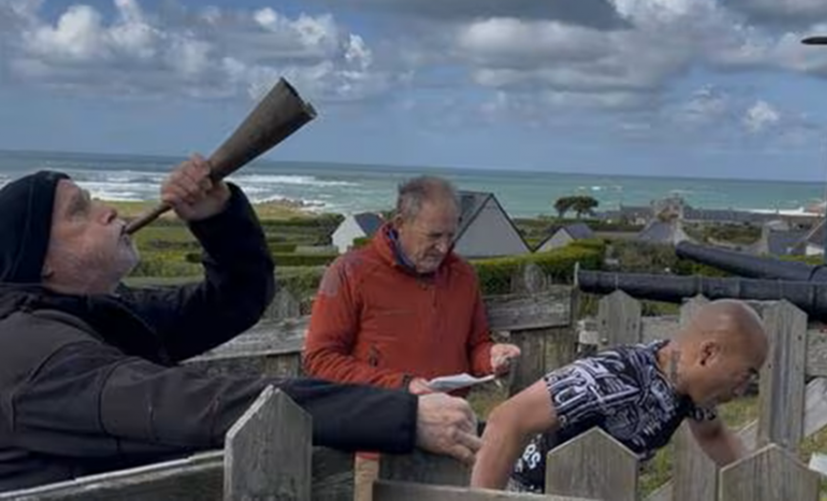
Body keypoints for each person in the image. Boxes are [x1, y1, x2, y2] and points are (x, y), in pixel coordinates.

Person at [0, 156, 481, 493]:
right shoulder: (32, 352)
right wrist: (400, 414)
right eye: (78, 211)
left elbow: (235, 301)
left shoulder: (95, 313)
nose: (107, 210)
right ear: (38, 259)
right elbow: (192, 401)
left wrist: (217, 216)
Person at [302, 175, 520, 500]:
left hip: (450, 442)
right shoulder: (350, 271)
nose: (444, 247)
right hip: (373, 447)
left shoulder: (462, 275)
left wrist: (491, 356)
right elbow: (320, 361)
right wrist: (403, 386)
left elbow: (475, 344)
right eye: (434, 236)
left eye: (451, 235)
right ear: (400, 223)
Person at [469, 299, 769, 493]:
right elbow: (507, 419)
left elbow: (714, 435)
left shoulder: (688, 387)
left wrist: (763, 487)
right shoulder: (614, 376)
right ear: (708, 353)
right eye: (744, 375)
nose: (741, 391)